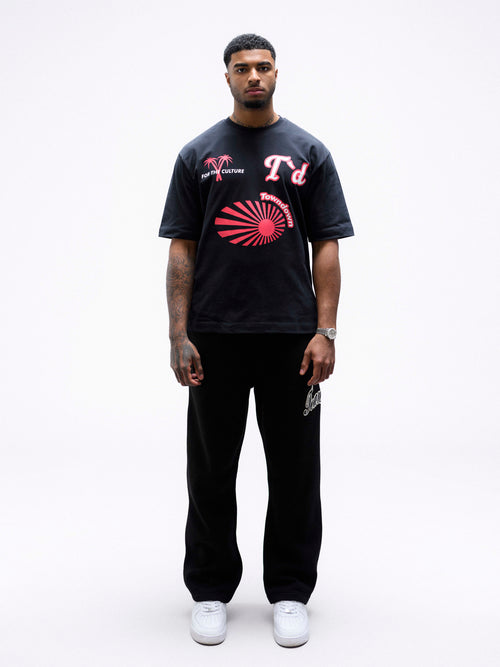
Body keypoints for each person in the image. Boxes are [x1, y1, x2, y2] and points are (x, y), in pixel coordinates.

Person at [159, 33, 354, 648]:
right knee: (210, 469)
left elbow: (327, 246)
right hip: (214, 336)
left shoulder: (308, 152)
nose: (253, 76)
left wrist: (325, 331)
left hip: (291, 339)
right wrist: (178, 333)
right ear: (227, 77)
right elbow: (181, 249)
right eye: (242, 68)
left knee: (295, 471)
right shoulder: (198, 154)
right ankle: (210, 590)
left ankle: (291, 590)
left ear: (276, 74)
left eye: (263, 67)